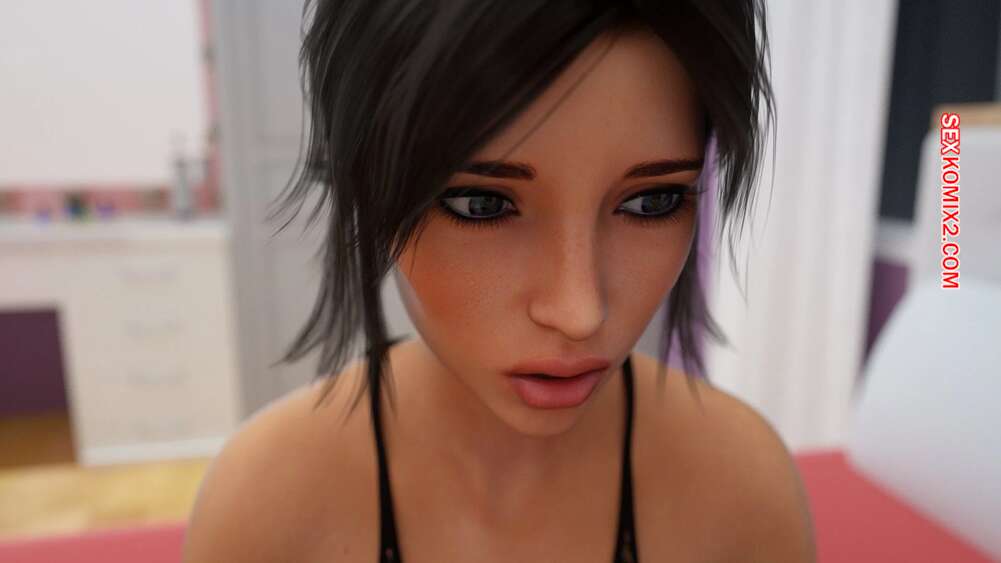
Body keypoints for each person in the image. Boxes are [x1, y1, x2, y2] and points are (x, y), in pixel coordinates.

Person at [184, 1, 816, 561]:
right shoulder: (265, 507)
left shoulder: (744, 491)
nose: (579, 311)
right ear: (368, 181)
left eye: (652, 202)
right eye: (483, 205)